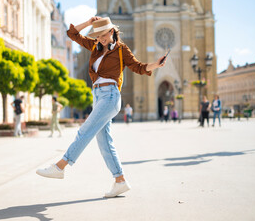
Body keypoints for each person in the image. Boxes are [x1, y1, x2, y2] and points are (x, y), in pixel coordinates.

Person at [36, 17, 167, 198]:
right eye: (97, 35)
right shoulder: (95, 47)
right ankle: (120, 180)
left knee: (85, 131)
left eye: (103, 34)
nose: (100, 38)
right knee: (105, 142)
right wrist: (90, 23)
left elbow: (139, 67)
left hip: (111, 95)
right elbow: (71, 34)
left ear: (111, 32)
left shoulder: (122, 50)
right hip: (97, 96)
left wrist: (157, 64)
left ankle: (60, 166)